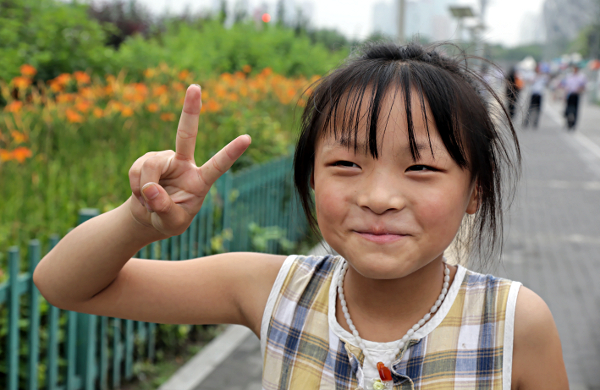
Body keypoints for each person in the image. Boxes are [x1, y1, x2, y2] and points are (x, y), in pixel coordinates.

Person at [33, 42, 569, 389]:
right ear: (312, 177)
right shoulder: (274, 289)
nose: (379, 196)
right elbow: (64, 285)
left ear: (474, 190)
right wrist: (136, 218)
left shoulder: (515, 323)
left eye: (421, 167)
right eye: (346, 163)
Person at [561, 64, 587, 130]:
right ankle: (567, 122)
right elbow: (565, 86)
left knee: (575, 110)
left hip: (576, 95)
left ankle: (573, 124)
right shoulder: (569, 76)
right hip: (569, 94)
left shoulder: (581, 77)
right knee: (568, 109)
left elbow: (583, 86)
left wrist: (580, 89)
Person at [523, 64, 549, 129]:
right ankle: (526, 121)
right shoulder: (532, 75)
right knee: (530, 108)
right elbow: (529, 81)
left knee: (538, 109)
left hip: (539, 94)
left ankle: (535, 122)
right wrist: (536, 76)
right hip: (533, 93)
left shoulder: (544, 76)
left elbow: (547, 83)